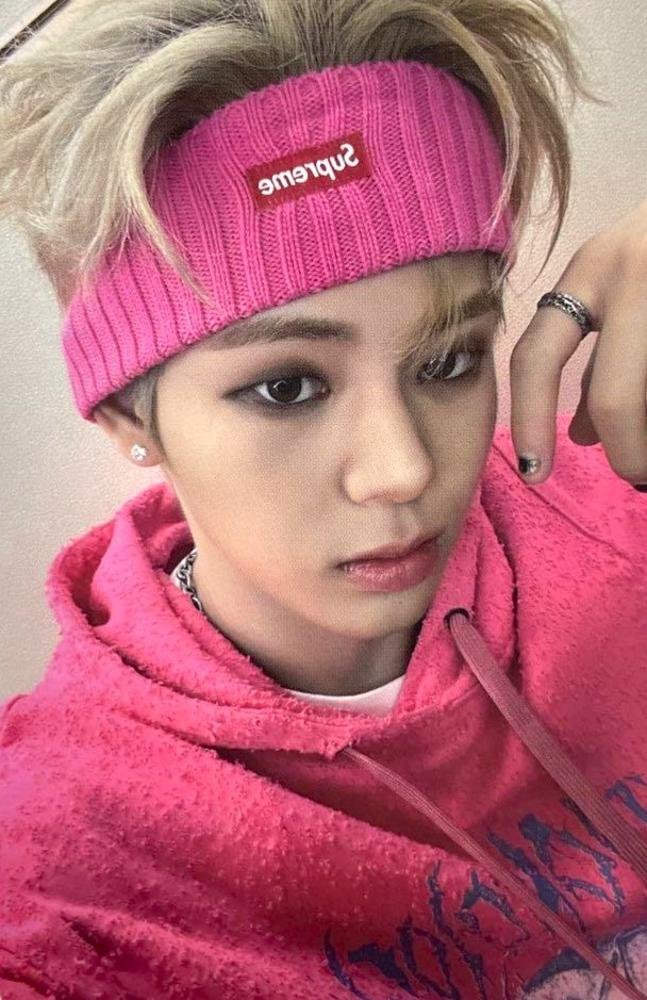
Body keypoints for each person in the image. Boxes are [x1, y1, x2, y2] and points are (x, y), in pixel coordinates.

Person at [0, 1, 646, 998]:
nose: (400, 470)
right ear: (129, 417)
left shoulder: (610, 509)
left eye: (446, 361)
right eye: (287, 387)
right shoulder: (67, 867)